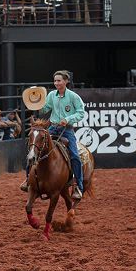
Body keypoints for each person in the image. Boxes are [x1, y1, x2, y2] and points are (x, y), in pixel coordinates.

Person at [20, 70, 86, 200]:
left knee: (75, 155)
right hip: (52, 128)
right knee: (33, 149)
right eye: (55, 81)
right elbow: (45, 108)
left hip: (67, 129)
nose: (56, 83)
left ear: (66, 81)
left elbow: (81, 112)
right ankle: (28, 180)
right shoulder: (51, 95)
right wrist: (36, 104)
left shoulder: (73, 96)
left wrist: (67, 119)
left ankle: (78, 186)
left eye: (59, 80)